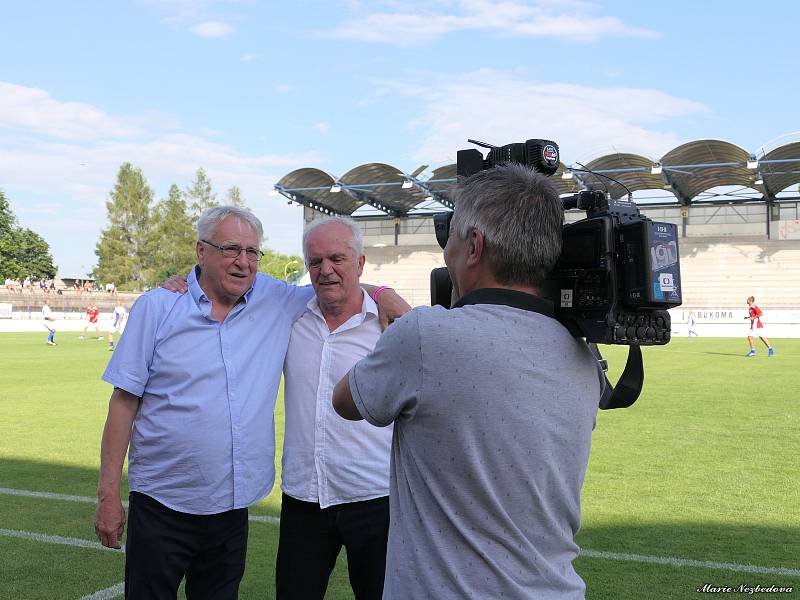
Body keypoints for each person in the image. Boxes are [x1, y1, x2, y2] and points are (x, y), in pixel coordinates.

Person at [94, 206, 408, 599]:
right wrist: (108, 495)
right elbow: (123, 402)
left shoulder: (278, 301)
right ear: (201, 251)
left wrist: (382, 292)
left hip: (233, 508)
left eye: (252, 252)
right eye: (230, 249)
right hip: (163, 504)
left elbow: (335, 283)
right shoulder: (159, 307)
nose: (243, 262)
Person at [333, 163, 605, 599]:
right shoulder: (583, 354)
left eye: (452, 239)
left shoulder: (425, 335)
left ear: (475, 245)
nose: (447, 255)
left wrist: (399, 337)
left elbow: (345, 401)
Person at [276, 217, 392, 600]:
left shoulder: (392, 327)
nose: (325, 270)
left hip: (375, 498)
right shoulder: (289, 316)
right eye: (315, 261)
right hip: (304, 498)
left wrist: (385, 293)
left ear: (359, 263)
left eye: (337, 259)